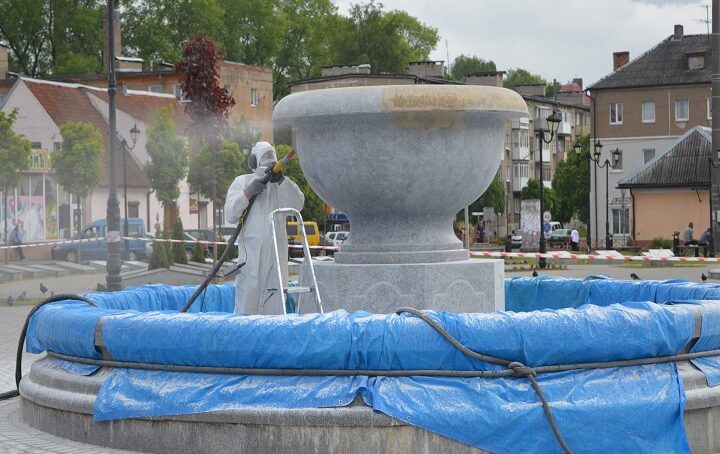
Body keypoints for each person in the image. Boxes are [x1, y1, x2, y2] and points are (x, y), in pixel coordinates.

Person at [224, 142, 304, 314]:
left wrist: (282, 181)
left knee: (274, 306)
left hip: (275, 259)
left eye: (271, 159)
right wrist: (248, 192)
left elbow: (298, 204)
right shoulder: (241, 182)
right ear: (253, 162)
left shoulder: (280, 186)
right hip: (250, 260)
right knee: (247, 305)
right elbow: (230, 215)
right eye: (264, 158)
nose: (269, 163)